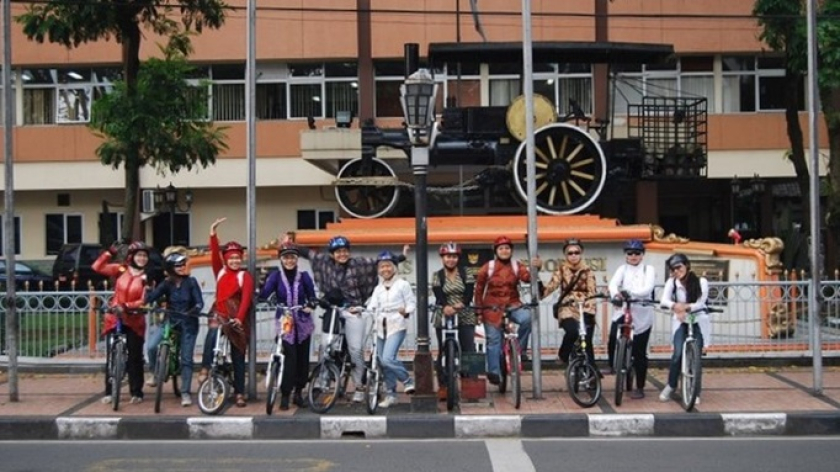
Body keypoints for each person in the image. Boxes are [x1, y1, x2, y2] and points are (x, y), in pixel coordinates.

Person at [282, 233, 408, 403]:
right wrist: (291, 244)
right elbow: (308, 254)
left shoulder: (359, 264)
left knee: (356, 350)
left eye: (345, 251)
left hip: (353, 309)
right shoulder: (324, 262)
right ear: (332, 253)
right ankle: (323, 379)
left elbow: (381, 262)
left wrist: (401, 256)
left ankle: (358, 386)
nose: (342, 254)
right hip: (332, 308)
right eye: (338, 251)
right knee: (326, 344)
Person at [473, 235, 540, 385]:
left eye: (507, 248)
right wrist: (478, 311)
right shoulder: (487, 267)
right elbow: (478, 290)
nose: (504, 251)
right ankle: (494, 371)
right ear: (496, 251)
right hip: (491, 308)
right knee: (493, 340)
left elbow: (527, 277)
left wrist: (536, 267)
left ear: (511, 250)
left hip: (513, 304)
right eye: (501, 248)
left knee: (528, 318)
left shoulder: (517, 266)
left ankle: (520, 350)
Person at [258, 243, 317, 410]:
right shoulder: (276, 276)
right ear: (281, 259)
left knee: (302, 358)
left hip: (303, 322)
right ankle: (285, 394)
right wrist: (262, 282)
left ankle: (298, 393)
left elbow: (312, 295)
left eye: (292, 257)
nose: (289, 260)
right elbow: (264, 294)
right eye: (286, 257)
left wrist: (311, 304)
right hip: (285, 321)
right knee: (289, 357)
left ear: (297, 259)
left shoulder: (304, 276)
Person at [92, 241, 151, 405]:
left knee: (134, 357)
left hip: (134, 319)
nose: (142, 259)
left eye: (145, 256)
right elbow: (96, 267)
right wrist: (109, 253)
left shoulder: (148, 276)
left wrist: (127, 306)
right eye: (139, 255)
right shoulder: (120, 270)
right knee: (112, 356)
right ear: (131, 256)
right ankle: (109, 392)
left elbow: (144, 300)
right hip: (115, 318)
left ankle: (136, 391)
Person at [204, 217, 254, 408]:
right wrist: (213, 233)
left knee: (238, 355)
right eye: (231, 257)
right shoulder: (221, 272)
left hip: (236, 320)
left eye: (237, 258)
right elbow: (214, 255)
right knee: (212, 334)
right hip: (220, 314)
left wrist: (239, 320)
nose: (234, 260)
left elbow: (246, 300)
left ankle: (240, 392)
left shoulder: (244, 276)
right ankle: (205, 368)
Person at [144, 250, 204, 407]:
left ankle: (185, 392)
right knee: (151, 346)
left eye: (183, 264)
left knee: (186, 358)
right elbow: (150, 298)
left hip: (188, 324)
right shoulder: (166, 283)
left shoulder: (191, 282)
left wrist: (193, 311)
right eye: (178, 265)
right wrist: (148, 289)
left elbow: (199, 302)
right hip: (170, 321)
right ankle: (155, 373)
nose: (182, 267)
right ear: (170, 267)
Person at [366, 250, 416, 408]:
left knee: (388, 358)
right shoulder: (378, 289)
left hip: (397, 325)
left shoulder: (403, 285)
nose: (385, 270)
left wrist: (406, 310)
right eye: (382, 267)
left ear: (394, 267)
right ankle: (391, 394)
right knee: (382, 361)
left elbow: (411, 303)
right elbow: (371, 306)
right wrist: (362, 310)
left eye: (388, 266)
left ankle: (407, 380)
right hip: (380, 327)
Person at [607, 239, 656, 399]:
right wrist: (616, 294)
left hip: (642, 311)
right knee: (613, 335)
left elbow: (647, 288)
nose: (633, 256)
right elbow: (613, 284)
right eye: (630, 253)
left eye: (637, 253)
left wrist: (629, 293)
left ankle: (640, 387)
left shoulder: (649, 270)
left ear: (642, 255)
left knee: (639, 352)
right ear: (626, 255)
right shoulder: (622, 269)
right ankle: (613, 365)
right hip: (625, 309)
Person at [658, 253, 710, 404]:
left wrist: (685, 308)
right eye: (673, 269)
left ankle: (695, 390)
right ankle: (671, 385)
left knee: (696, 356)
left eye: (679, 267)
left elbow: (700, 303)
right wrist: (675, 306)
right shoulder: (672, 282)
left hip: (698, 320)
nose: (676, 271)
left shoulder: (701, 281)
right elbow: (664, 300)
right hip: (681, 322)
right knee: (678, 354)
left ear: (686, 265)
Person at [541, 238, 598, 370]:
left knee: (587, 342)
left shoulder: (588, 271)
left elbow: (592, 291)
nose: (573, 256)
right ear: (565, 255)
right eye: (570, 253)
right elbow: (550, 287)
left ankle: (592, 373)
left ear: (581, 253)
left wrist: (588, 307)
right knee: (572, 331)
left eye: (576, 252)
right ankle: (563, 355)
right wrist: (538, 287)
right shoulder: (561, 270)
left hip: (585, 309)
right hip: (567, 308)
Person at [432, 242, 476, 399]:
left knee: (469, 349)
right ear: (443, 258)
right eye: (448, 257)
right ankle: (443, 386)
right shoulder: (437, 275)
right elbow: (438, 294)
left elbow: (470, 292)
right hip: (443, 313)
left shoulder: (466, 272)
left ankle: (470, 386)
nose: (451, 260)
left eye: (454, 257)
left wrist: (461, 304)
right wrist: (445, 306)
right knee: (443, 350)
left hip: (464, 313)